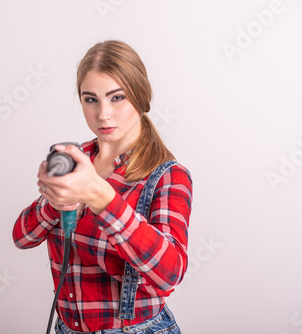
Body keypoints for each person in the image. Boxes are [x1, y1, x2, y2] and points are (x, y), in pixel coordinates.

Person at [13, 40, 193, 334]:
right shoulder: (75, 159)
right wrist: (55, 203)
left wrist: (101, 198)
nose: (103, 114)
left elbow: (169, 273)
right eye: (91, 99)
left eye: (117, 97)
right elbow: (21, 238)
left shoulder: (167, 176)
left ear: (140, 96)